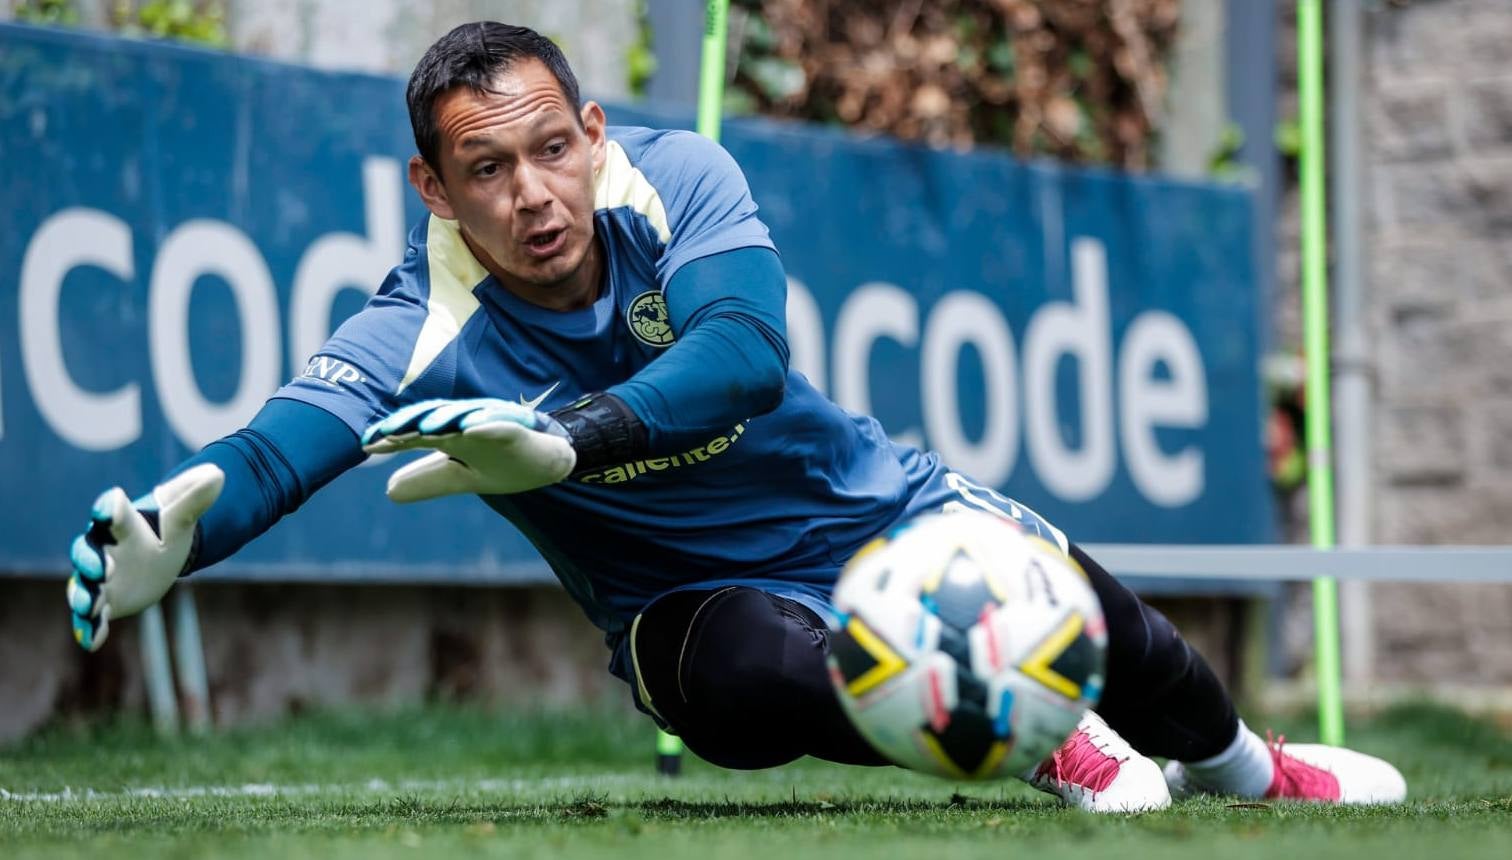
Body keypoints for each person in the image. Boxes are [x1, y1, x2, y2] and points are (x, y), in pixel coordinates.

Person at [63, 22, 1404, 812]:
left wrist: (571, 439)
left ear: (591, 131)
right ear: (433, 187)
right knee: (758, 683)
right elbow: (274, 452)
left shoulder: (679, 179)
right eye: (486, 168)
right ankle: (1045, 738)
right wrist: (179, 534)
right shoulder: (420, 322)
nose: (531, 194)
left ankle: (1253, 774)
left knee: (1126, 631)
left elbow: (744, 359)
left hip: (883, 513)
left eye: (549, 149)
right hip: (686, 610)